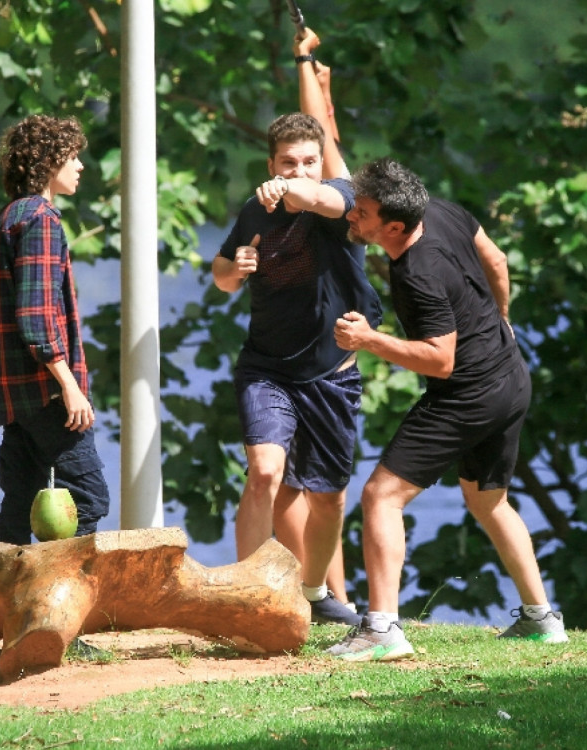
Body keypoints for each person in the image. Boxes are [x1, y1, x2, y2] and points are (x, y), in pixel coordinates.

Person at [328, 157, 569, 661]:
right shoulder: (434, 209)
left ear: (392, 226)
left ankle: (381, 628)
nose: (352, 215)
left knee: (380, 496)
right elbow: (497, 261)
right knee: (488, 500)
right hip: (510, 376)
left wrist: (369, 340)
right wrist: (501, 317)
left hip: (468, 393)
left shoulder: (418, 272)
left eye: (361, 212)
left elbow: (440, 361)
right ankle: (541, 619)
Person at [211, 72, 382, 625]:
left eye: (309, 160)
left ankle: (319, 595)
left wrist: (294, 187)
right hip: (266, 367)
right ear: (271, 163)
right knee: (265, 473)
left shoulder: (342, 200)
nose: (300, 170)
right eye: (288, 162)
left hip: (332, 372)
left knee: (328, 497)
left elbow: (320, 193)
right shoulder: (254, 211)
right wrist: (233, 270)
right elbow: (220, 272)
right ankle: (245, 599)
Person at [0, 114, 111, 545]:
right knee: (89, 499)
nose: (80, 166)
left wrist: (4, 352)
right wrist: (68, 385)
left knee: (20, 504)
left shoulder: (0, 222)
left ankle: (2, 604)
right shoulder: (42, 219)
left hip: (14, 396)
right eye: (74, 157)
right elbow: (37, 316)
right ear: (49, 160)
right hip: (45, 390)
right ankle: (68, 603)